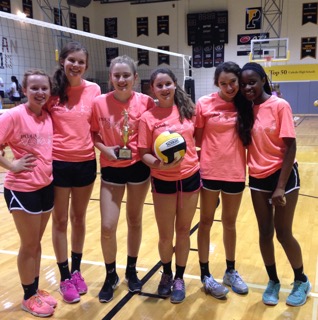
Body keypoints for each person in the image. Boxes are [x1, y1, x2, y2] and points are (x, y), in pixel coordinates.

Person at [240, 62, 311, 307]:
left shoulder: (280, 105)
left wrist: (280, 187)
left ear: (263, 80)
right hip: (258, 178)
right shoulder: (246, 109)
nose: (247, 87)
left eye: (252, 82)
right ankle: (273, 281)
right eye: (243, 84)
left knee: (283, 233)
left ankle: (301, 279)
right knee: (265, 233)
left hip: (284, 177)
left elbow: (290, 146)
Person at [91, 55, 155, 303]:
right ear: (110, 78)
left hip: (138, 167)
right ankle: (110, 275)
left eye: (126, 75)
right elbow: (94, 134)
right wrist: (105, 150)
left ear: (135, 78)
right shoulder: (99, 103)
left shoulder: (147, 102)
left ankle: (131, 269)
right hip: (111, 168)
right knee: (107, 226)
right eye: (116, 75)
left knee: (134, 220)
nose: (121, 80)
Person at [138, 68, 200, 304]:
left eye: (167, 84)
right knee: (166, 235)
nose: (164, 89)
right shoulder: (148, 118)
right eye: (159, 85)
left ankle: (180, 278)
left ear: (175, 84)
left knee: (183, 230)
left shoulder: (188, 111)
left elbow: (200, 140)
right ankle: (166, 273)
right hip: (163, 180)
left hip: (190, 177)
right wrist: (157, 165)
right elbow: (142, 152)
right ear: (152, 89)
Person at [0, 69, 56, 317]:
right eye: (34, 88)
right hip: (22, 189)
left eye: (44, 88)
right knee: (29, 244)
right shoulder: (12, 115)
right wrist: (12, 165)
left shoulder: (46, 116)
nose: (40, 92)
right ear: (24, 90)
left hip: (45, 186)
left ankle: (33, 288)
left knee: (36, 244)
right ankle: (27, 297)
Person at [48, 41, 101, 304]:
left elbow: (97, 127)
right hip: (57, 163)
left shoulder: (94, 89)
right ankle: (64, 275)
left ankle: (77, 270)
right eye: (72, 60)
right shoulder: (52, 91)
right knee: (60, 221)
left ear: (86, 65)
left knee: (78, 219)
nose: (76, 65)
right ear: (63, 61)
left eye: (81, 61)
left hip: (85, 162)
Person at [195, 62, 253, 298]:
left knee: (230, 223)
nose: (229, 87)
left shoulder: (246, 104)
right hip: (209, 171)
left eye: (232, 82)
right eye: (223, 83)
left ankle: (230, 271)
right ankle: (205, 274)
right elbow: (197, 138)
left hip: (235, 172)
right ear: (216, 83)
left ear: (239, 82)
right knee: (206, 221)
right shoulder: (204, 104)